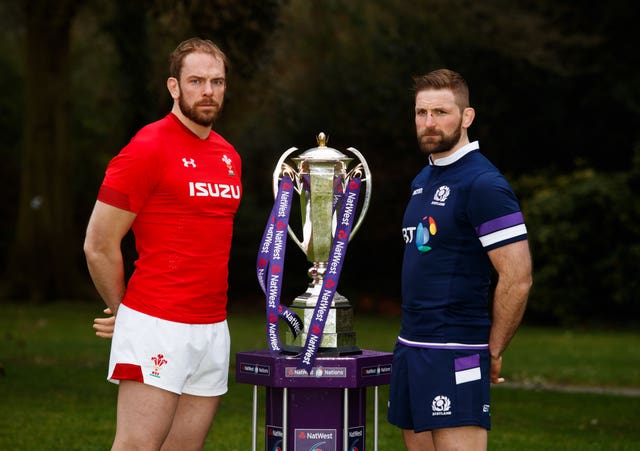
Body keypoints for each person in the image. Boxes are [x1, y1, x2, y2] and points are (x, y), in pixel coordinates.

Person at [83, 38, 242, 451]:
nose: (208, 91)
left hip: (212, 326)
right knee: (137, 445)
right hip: (158, 323)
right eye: (196, 81)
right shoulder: (147, 148)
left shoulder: (229, 157)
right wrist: (128, 314)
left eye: (217, 81)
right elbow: (99, 244)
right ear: (174, 87)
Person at [387, 69, 532, 450]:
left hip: (455, 350)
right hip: (411, 346)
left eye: (441, 112)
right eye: (421, 113)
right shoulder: (423, 179)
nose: (429, 123)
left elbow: (517, 278)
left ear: (467, 117)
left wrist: (493, 349)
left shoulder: (484, 184)